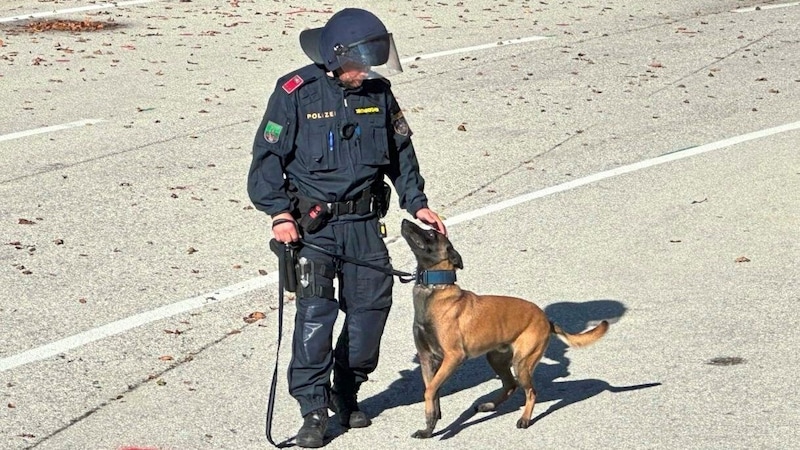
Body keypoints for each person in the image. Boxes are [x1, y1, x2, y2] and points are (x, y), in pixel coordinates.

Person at [247, 8, 447, 448]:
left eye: (370, 62)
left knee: (370, 315)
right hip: (312, 229)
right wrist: (279, 214)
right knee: (316, 317)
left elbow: (401, 154)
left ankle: (347, 389)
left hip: (363, 225)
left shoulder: (379, 91)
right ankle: (313, 410)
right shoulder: (295, 91)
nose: (365, 71)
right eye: (359, 63)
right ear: (336, 57)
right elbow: (266, 162)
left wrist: (419, 203)